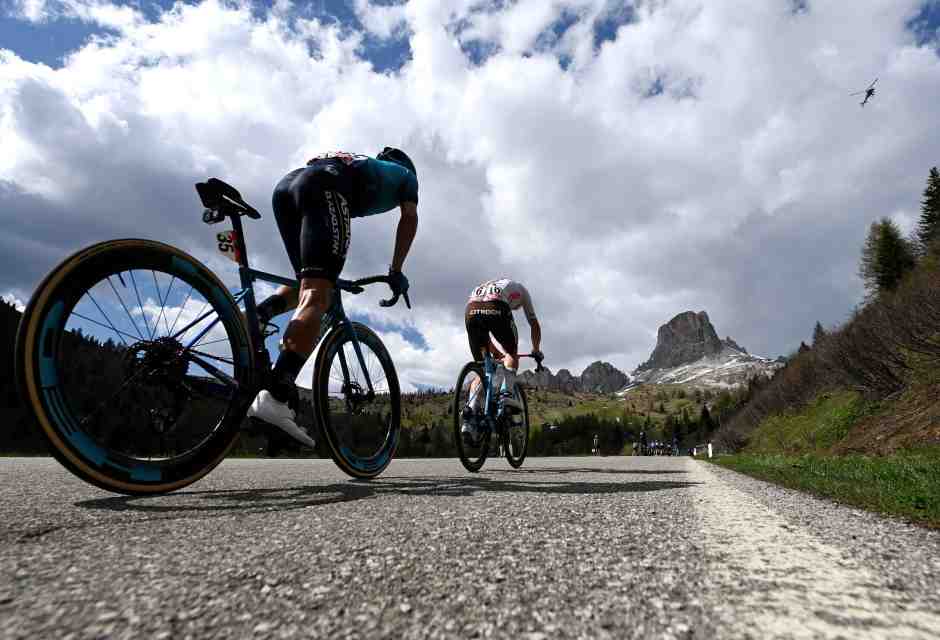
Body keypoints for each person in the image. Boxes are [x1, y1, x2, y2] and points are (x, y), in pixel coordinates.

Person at [246, 148, 419, 448]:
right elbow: (409, 218)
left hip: (287, 186)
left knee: (309, 281)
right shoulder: (406, 177)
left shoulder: (363, 164)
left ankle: (254, 320)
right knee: (318, 294)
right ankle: (275, 397)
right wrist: (396, 270)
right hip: (323, 186)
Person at [460, 278, 542, 445]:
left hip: (471, 311)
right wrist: (536, 349)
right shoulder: (522, 290)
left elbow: (486, 339)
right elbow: (534, 323)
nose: (517, 309)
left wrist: (496, 353)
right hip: (496, 307)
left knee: (483, 368)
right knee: (512, 352)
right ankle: (506, 395)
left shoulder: (489, 285)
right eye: (517, 307)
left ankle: (470, 416)